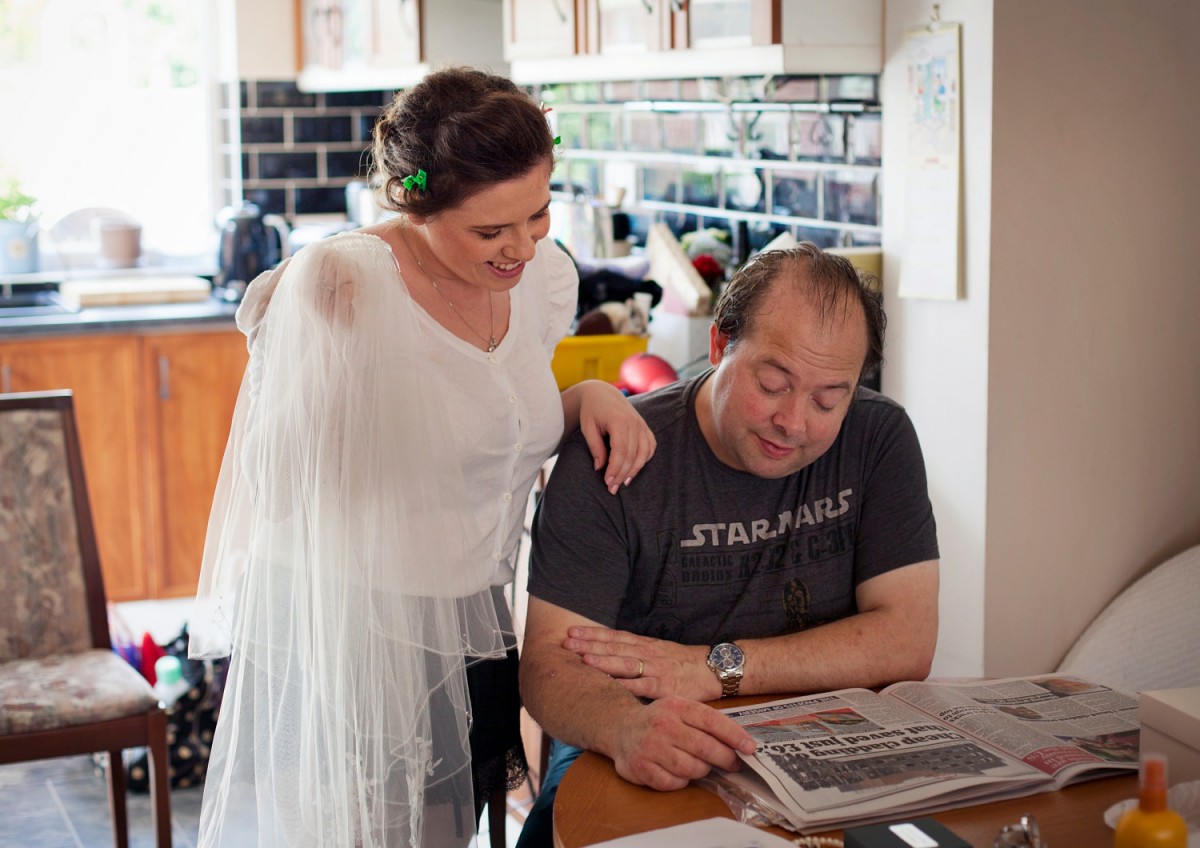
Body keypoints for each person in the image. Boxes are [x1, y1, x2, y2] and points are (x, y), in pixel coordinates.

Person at [188, 67, 655, 847]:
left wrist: (590, 399)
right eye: (488, 231)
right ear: (413, 201)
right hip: (360, 643)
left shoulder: (542, 281)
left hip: (476, 634)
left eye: (537, 214)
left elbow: (493, 426)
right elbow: (274, 485)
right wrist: (311, 354)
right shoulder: (348, 286)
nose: (520, 247)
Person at [516, 243, 940, 847]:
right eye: (773, 384)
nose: (794, 422)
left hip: (832, 736)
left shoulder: (879, 437)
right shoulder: (617, 456)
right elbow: (547, 666)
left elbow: (908, 637)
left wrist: (710, 667)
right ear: (718, 347)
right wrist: (625, 728)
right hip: (639, 730)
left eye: (828, 399)